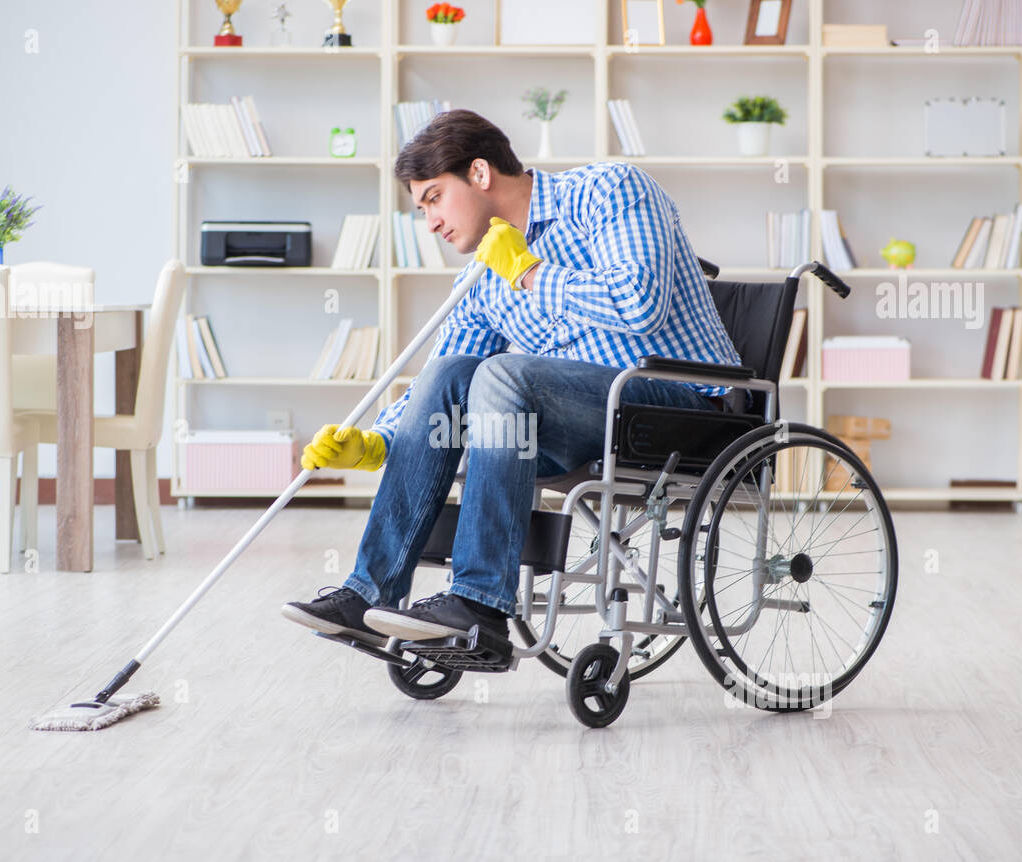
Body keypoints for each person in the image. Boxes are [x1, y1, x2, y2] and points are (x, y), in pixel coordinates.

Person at [281, 109, 742, 660]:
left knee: (502, 374)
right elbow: (443, 375)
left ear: (479, 174)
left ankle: (478, 605)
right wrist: (380, 440)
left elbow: (640, 302)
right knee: (455, 374)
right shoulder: (481, 275)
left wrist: (530, 274)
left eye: (433, 198)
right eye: (421, 207)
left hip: (680, 407)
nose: (429, 221)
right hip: (580, 427)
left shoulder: (608, 190)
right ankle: (369, 595)